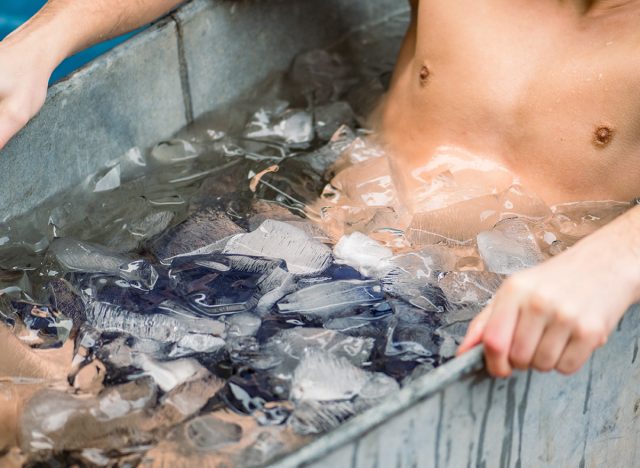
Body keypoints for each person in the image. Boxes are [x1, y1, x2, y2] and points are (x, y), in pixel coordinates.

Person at [1, 0, 639, 382]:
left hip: (443, 325)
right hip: (280, 250)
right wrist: (39, 44)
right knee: (17, 374)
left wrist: (613, 264)